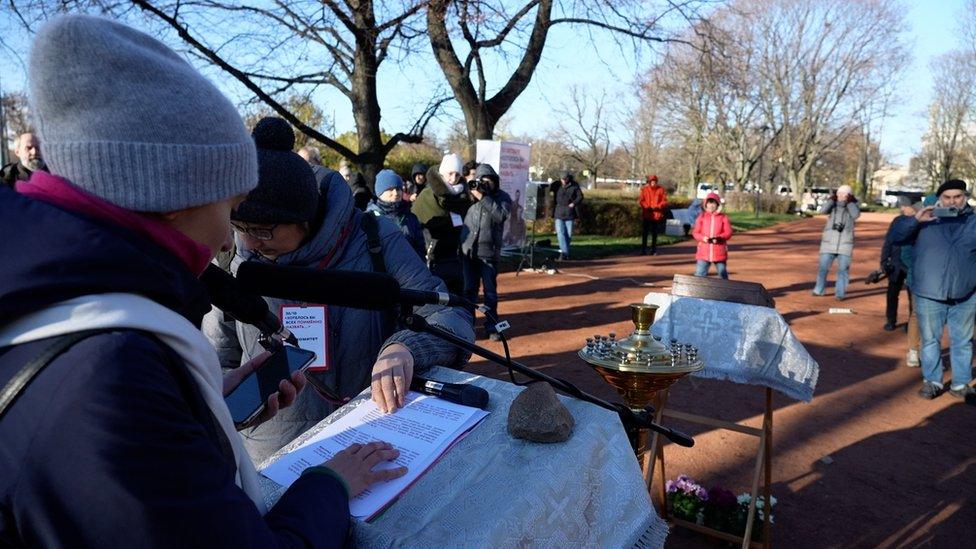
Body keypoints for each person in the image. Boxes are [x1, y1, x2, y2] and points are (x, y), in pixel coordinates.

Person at [0, 15, 404, 547]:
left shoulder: (60, 306)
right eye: (233, 210)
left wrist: (200, 406)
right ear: (175, 198)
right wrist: (327, 485)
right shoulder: (110, 372)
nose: (228, 241)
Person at [205, 119, 473, 462]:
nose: (248, 241)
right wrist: (241, 408)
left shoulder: (374, 239)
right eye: (238, 226)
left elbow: (449, 314)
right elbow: (219, 354)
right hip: (272, 457)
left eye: (262, 230)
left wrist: (405, 348)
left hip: (366, 442)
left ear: (305, 218)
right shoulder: (233, 260)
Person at [890, 180, 976, 400]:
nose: (953, 201)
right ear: (940, 198)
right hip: (929, 291)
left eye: (957, 196)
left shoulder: (974, 221)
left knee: (963, 341)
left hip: (966, 292)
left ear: (965, 197)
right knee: (930, 340)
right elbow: (896, 237)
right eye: (947, 197)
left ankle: (961, 384)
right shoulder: (925, 219)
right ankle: (932, 381)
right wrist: (916, 220)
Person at [461, 164, 511, 340]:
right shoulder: (470, 195)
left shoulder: (502, 197)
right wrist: (470, 190)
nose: (484, 184)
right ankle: (467, 327)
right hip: (468, 251)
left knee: (489, 292)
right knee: (469, 291)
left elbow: (501, 216)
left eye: (488, 181)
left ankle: (491, 327)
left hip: (488, 252)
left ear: (495, 181)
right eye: (481, 181)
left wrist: (483, 197)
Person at [412, 153, 472, 294]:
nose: (453, 178)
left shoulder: (463, 198)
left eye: (457, 175)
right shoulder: (427, 195)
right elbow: (416, 225)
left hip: (455, 257)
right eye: (450, 173)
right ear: (442, 173)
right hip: (432, 258)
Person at [813, 184, 860, 300]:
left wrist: (849, 202)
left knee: (843, 270)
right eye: (839, 193)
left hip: (845, 244)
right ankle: (819, 289)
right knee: (823, 268)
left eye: (844, 194)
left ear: (849, 195)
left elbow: (855, 215)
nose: (841, 196)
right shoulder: (832, 205)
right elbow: (822, 211)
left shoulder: (853, 205)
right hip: (828, 243)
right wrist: (831, 200)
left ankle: (840, 293)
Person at [367, 169, 426, 259]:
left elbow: (420, 247)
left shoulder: (410, 217)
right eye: (390, 189)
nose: (395, 193)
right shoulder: (369, 218)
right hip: (380, 271)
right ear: (380, 193)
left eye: (398, 189)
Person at [880, 196, 916, 331]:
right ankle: (891, 320)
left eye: (906, 206)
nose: (903, 209)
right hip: (895, 263)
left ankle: (911, 324)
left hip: (911, 264)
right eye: (903, 206)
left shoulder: (920, 221)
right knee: (892, 293)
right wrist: (884, 260)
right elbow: (888, 240)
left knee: (913, 296)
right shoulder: (897, 221)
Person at [692, 192, 733, 279]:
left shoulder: (723, 217)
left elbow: (728, 232)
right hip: (703, 252)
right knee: (699, 275)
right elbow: (696, 232)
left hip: (719, 252)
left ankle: (725, 291)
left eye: (713, 203)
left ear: (717, 205)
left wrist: (719, 238)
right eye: (709, 203)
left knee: (723, 275)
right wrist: (703, 238)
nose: (711, 205)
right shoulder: (702, 217)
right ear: (706, 204)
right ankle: (697, 292)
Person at [554, 171, 583, 260]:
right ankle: (564, 253)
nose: (564, 181)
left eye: (565, 179)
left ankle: (565, 253)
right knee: (560, 233)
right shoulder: (556, 185)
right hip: (559, 212)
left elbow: (580, 196)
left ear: (568, 178)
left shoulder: (574, 185)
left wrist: (574, 203)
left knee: (568, 235)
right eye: (562, 179)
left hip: (570, 212)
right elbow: (547, 189)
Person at [638, 174, 668, 255]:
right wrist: (646, 207)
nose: (653, 183)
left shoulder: (661, 190)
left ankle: (653, 249)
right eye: (651, 182)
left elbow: (664, 201)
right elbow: (641, 200)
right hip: (647, 214)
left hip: (656, 215)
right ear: (649, 182)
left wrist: (657, 206)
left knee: (654, 233)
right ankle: (643, 249)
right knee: (645, 232)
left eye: (654, 182)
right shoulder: (644, 189)